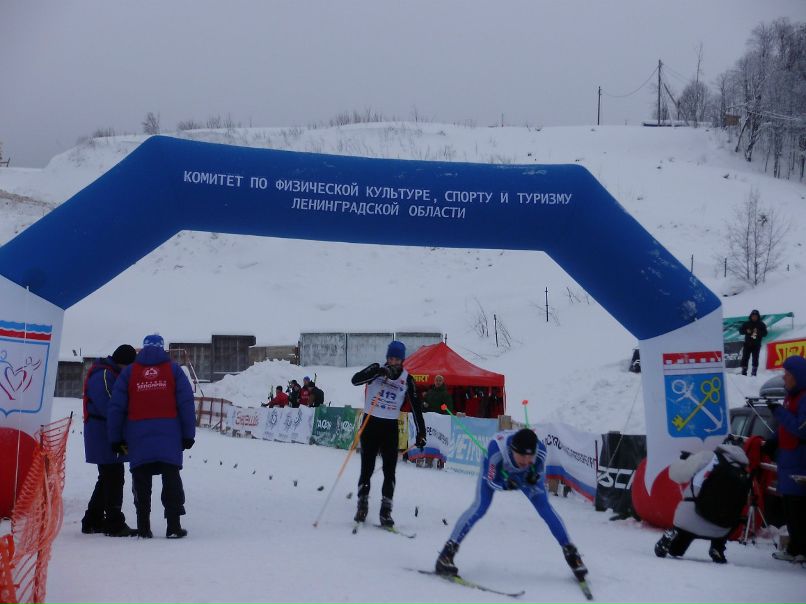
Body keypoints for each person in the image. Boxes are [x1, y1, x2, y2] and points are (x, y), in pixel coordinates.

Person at [434, 428, 587, 580]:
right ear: (513, 450)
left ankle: (571, 553)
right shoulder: (496, 451)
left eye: (530, 456)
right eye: (522, 456)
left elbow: (538, 471)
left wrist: (534, 475)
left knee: (545, 509)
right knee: (480, 507)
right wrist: (505, 485)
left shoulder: (540, 450)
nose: (526, 461)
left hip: (525, 476)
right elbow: (491, 481)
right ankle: (447, 553)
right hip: (499, 474)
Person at [108, 334, 196, 539]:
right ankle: (173, 526)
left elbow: (116, 408)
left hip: (138, 436)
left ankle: (144, 527)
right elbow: (186, 404)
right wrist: (188, 434)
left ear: (143, 348)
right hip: (169, 437)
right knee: (171, 479)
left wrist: (115, 439)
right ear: (162, 348)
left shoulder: (129, 373)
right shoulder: (174, 370)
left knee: (141, 481)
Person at [351, 340, 426, 527]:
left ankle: (386, 511)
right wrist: (375, 372)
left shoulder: (407, 379)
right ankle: (362, 504)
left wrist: (421, 432)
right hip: (370, 424)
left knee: (389, 470)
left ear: (402, 360)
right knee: (367, 468)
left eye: (396, 359)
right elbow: (355, 380)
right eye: (390, 358)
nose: (393, 362)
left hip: (390, 428)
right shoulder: (376, 369)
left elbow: (416, 407)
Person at [654, 441, 750, 564]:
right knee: (728, 508)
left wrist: (683, 460)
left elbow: (677, 475)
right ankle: (718, 547)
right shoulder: (744, 471)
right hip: (722, 528)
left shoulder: (708, 457)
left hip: (690, 519)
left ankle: (673, 535)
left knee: (674, 551)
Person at [81, 344, 138, 537]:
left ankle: (92, 520)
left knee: (107, 476)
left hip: (106, 432)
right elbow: (111, 407)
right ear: (123, 363)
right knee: (114, 475)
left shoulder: (110, 373)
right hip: (103, 434)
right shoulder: (104, 375)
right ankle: (114, 523)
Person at [763, 355, 806, 562]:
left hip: (799, 462)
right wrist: (773, 441)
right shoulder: (790, 397)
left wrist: (778, 411)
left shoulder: (804, 398)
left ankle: (802, 550)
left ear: (797, 376)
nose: (783, 377)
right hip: (787, 461)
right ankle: (794, 549)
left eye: (787, 374)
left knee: (799, 511)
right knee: (790, 510)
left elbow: (801, 429)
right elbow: (785, 429)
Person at [739, 310, 768, 376]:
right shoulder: (746, 323)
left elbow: (765, 333)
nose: (754, 317)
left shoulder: (761, 324)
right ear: (751, 316)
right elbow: (740, 331)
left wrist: (758, 332)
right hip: (747, 344)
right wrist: (746, 331)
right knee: (745, 358)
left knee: (755, 358)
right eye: (753, 316)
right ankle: (744, 372)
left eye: (756, 316)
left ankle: (754, 372)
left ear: (758, 317)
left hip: (756, 345)